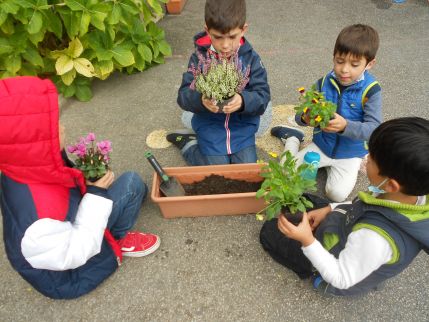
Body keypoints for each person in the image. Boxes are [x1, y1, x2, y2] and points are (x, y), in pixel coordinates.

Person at [0, 76, 160, 299]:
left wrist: (86, 181)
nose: (63, 127)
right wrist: (95, 195)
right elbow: (75, 251)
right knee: (133, 185)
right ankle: (118, 239)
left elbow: (61, 196)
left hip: (66, 230)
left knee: (132, 183)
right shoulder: (37, 225)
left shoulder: (21, 166)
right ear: (33, 141)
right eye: (53, 125)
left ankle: (110, 232)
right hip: (72, 273)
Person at [260, 117, 429, 296]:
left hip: (339, 267)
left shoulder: (374, 238)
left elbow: (341, 277)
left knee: (270, 232)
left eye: (371, 159)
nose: (366, 158)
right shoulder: (409, 195)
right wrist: (330, 208)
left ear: (391, 185)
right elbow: (365, 204)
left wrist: (307, 240)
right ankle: (364, 265)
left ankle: (318, 277)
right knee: (305, 200)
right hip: (352, 232)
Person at [272, 24, 382, 202]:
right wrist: (305, 118)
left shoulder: (371, 91)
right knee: (285, 171)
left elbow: (374, 128)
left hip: (350, 154)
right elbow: (303, 112)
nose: (344, 69)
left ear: (370, 64)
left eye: (354, 64)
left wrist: (345, 126)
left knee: (336, 195)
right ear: (333, 57)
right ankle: (292, 139)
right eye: (339, 61)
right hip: (322, 146)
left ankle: (331, 167)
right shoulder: (323, 83)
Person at [166, 0, 271, 165]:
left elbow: (263, 97)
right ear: (207, 31)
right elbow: (184, 95)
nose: (225, 45)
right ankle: (189, 145)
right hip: (210, 130)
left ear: (243, 30)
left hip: (242, 132)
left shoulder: (251, 59)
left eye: (232, 36)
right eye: (218, 37)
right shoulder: (199, 59)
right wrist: (201, 100)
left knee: (245, 174)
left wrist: (243, 101)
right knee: (217, 174)